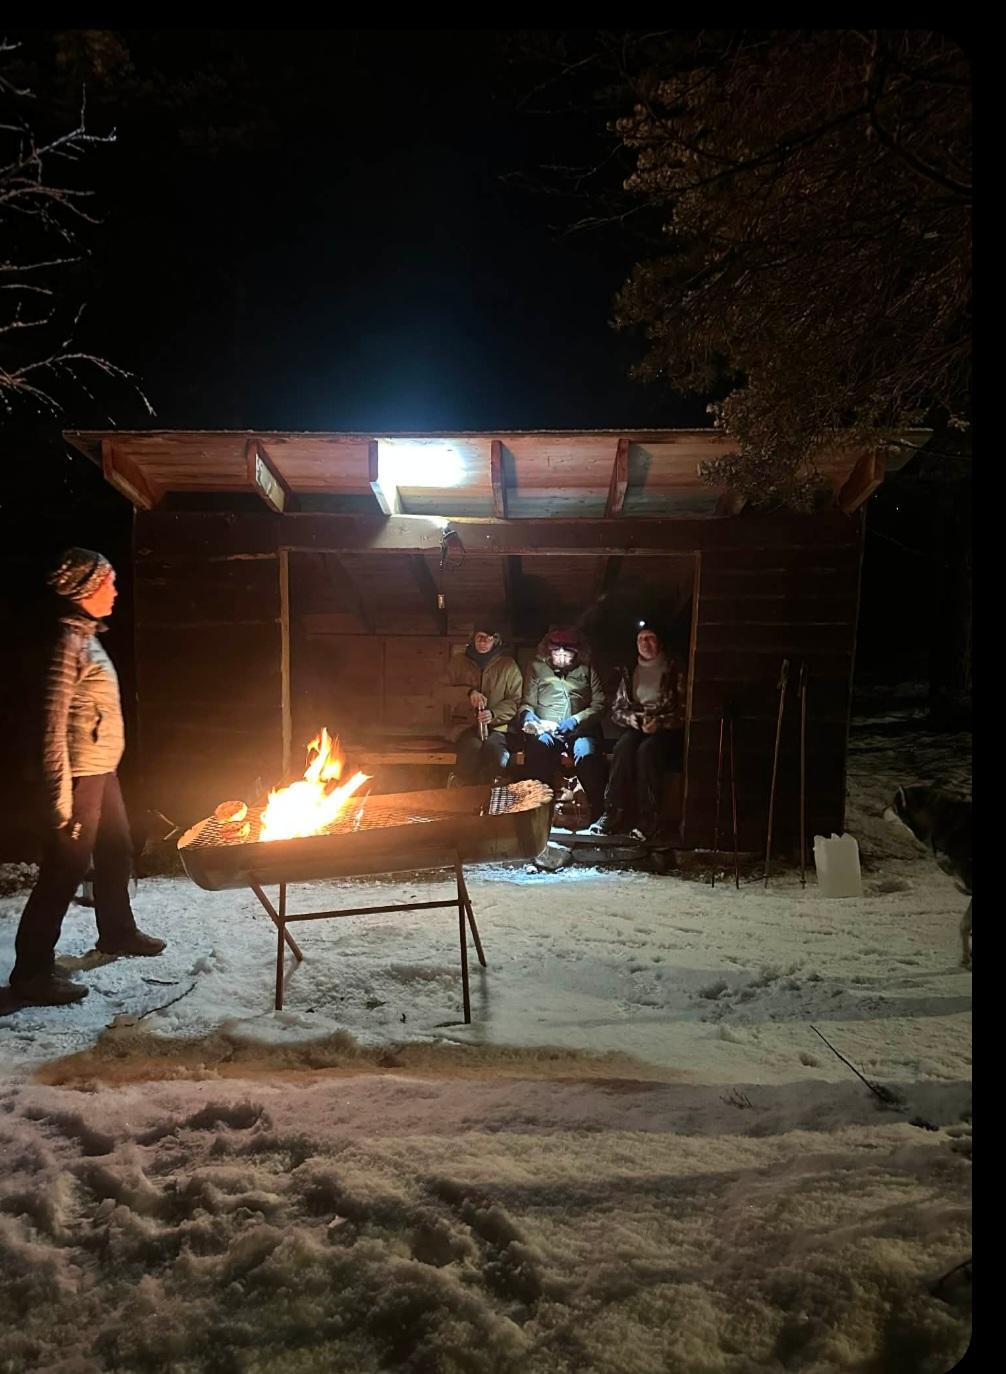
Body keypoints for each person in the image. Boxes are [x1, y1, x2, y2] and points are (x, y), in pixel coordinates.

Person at [5, 548, 166, 1008]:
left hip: (100, 769)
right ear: (86, 588)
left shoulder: (85, 635)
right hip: (76, 776)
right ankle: (31, 973)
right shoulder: (66, 642)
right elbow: (50, 721)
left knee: (116, 850)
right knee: (65, 869)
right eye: (108, 583)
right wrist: (58, 797)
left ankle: (118, 931)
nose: (115, 591)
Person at [589, 624, 686, 840]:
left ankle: (649, 819)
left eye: (650, 638)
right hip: (638, 725)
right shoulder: (629, 670)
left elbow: (683, 710)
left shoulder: (674, 669)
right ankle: (613, 812)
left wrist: (660, 722)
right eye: (641, 639)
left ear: (659, 642)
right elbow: (617, 709)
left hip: (665, 729)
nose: (645, 643)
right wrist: (631, 719)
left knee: (647, 752)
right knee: (623, 747)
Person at [519, 626, 607, 823]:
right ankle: (538, 810)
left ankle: (595, 810)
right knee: (538, 749)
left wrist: (576, 720)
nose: (560, 656)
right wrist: (528, 717)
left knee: (587, 753)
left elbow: (600, 704)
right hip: (546, 729)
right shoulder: (536, 668)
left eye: (566, 653)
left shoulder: (587, 669)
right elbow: (527, 702)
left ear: (576, 653)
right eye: (556, 652)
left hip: (579, 729)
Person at [448, 618, 523, 785]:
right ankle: (461, 789)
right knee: (471, 749)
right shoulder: (458, 662)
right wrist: (467, 693)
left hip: (498, 727)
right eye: (480, 638)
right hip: (465, 725)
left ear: (495, 640)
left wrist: (494, 714)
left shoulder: (508, 666)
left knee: (496, 751)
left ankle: (495, 791)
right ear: (473, 638)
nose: (483, 643)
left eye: (488, 639)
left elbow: (515, 700)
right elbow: (441, 691)